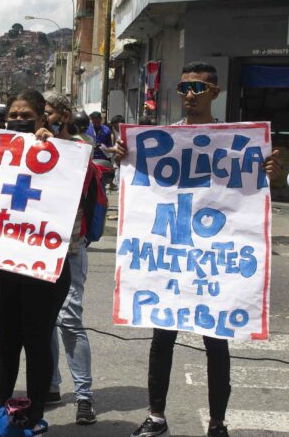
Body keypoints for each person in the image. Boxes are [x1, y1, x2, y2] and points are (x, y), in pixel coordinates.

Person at [112, 62, 279, 437]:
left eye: (198, 88)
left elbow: (253, 187)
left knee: (216, 343)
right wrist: (123, 154)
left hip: (211, 263)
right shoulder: (164, 139)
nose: (189, 95)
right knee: (162, 338)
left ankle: (218, 423)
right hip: (172, 258)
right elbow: (137, 173)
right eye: (184, 88)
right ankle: (156, 417)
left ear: (215, 92)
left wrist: (267, 169)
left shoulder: (236, 140)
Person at [0, 89, 72, 434]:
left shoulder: (62, 150)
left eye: (27, 116)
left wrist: (56, 146)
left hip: (42, 264)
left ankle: (33, 419)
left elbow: (78, 185)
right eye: (13, 115)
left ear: (42, 118)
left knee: (37, 343)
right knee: (6, 344)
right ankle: (0, 419)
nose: (18, 121)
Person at [42, 91, 99, 425]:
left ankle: (84, 395)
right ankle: (50, 384)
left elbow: (78, 189)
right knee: (44, 320)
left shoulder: (79, 150)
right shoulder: (31, 147)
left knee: (70, 319)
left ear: (62, 115)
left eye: (49, 113)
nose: (44, 119)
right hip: (38, 248)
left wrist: (56, 146)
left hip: (70, 247)